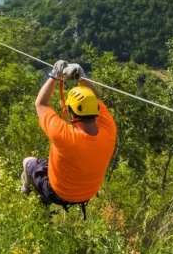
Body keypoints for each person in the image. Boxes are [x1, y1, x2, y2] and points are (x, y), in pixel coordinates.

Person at [21, 59, 117, 217]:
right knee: (53, 161)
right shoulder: (109, 129)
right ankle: (42, 195)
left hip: (58, 193)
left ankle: (28, 190)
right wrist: (82, 77)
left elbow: (41, 104)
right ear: (96, 109)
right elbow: (97, 98)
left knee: (28, 162)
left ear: (71, 112)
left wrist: (55, 75)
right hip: (87, 193)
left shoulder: (64, 135)